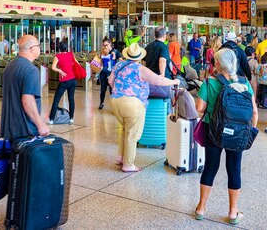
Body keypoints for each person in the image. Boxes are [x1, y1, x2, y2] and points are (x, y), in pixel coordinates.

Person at [0, 35, 49, 223]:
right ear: (32, 48)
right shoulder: (31, 70)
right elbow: (27, 100)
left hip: (11, 125)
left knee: (16, 167)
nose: (40, 49)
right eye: (38, 46)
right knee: (20, 168)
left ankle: (8, 207)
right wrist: (40, 123)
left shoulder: (11, 66)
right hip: (25, 128)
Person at [195, 49, 257, 225]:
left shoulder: (209, 82)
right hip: (238, 132)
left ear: (217, 64)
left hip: (212, 129)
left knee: (210, 167)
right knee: (234, 168)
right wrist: (250, 132)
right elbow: (253, 112)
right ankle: (232, 212)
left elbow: (199, 108)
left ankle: (201, 208)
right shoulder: (245, 83)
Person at [108, 43, 179, 173]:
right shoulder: (140, 68)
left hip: (115, 101)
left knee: (125, 129)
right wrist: (175, 82)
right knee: (132, 134)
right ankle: (128, 164)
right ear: (139, 57)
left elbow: (110, 81)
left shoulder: (118, 65)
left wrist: (119, 91)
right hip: (132, 104)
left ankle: (122, 157)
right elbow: (159, 81)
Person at [49, 42, 78, 125]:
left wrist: (60, 70)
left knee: (56, 99)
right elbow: (76, 64)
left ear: (59, 49)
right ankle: (71, 118)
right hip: (73, 80)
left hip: (64, 81)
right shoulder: (71, 54)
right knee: (71, 99)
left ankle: (51, 119)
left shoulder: (57, 56)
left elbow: (53, 67)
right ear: (67, 48)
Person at [98, 39, 120, 110]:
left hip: (112, 74)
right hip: (103, 73)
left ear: (110, 44)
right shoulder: (102, 52)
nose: (105, 46)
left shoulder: (115, 52)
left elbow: (121, 60)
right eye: (103, 45)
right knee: (103, 89)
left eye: (106, 45)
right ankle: (101, 103)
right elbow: (100, 62)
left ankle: (113, 105)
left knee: (112, 90)